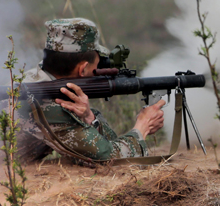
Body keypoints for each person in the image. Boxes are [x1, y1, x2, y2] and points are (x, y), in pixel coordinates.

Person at [19, 18, 166, 163]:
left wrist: (89, 117)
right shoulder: (51, 107)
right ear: (82, 69)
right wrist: (143, 126)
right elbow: (109, 158)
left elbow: (105, 142)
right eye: (96, 64)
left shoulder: (34, 79)